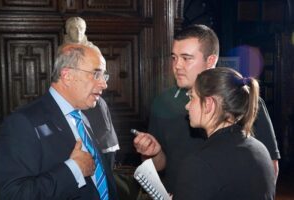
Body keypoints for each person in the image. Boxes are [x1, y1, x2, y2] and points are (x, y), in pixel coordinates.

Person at [133, 24, 280, 194]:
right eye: (174, 57)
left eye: (186, 58)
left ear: (210, 61)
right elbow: (160, 165)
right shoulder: (162, 103)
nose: (177, 65)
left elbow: (268, 169)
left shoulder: (243, 101)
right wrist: (154, 152)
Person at [0, 44, 118, 199]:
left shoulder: (83, 116)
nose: (104, 84)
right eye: (96, 74)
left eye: (104, 76)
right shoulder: (22, 123)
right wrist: (73, 170)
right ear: (67, 76)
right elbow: (14, 194)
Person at [174, 67, 276, 199]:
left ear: (208, 104)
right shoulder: (261, 150)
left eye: (191, 97)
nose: (187, 106)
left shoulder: (198, 164)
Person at [62, 16, 120, 169]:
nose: (78, 32)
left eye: (80, 28)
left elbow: (104, 131)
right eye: (73, 28)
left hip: (103, 146)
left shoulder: (93, 50)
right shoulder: (62, 50)